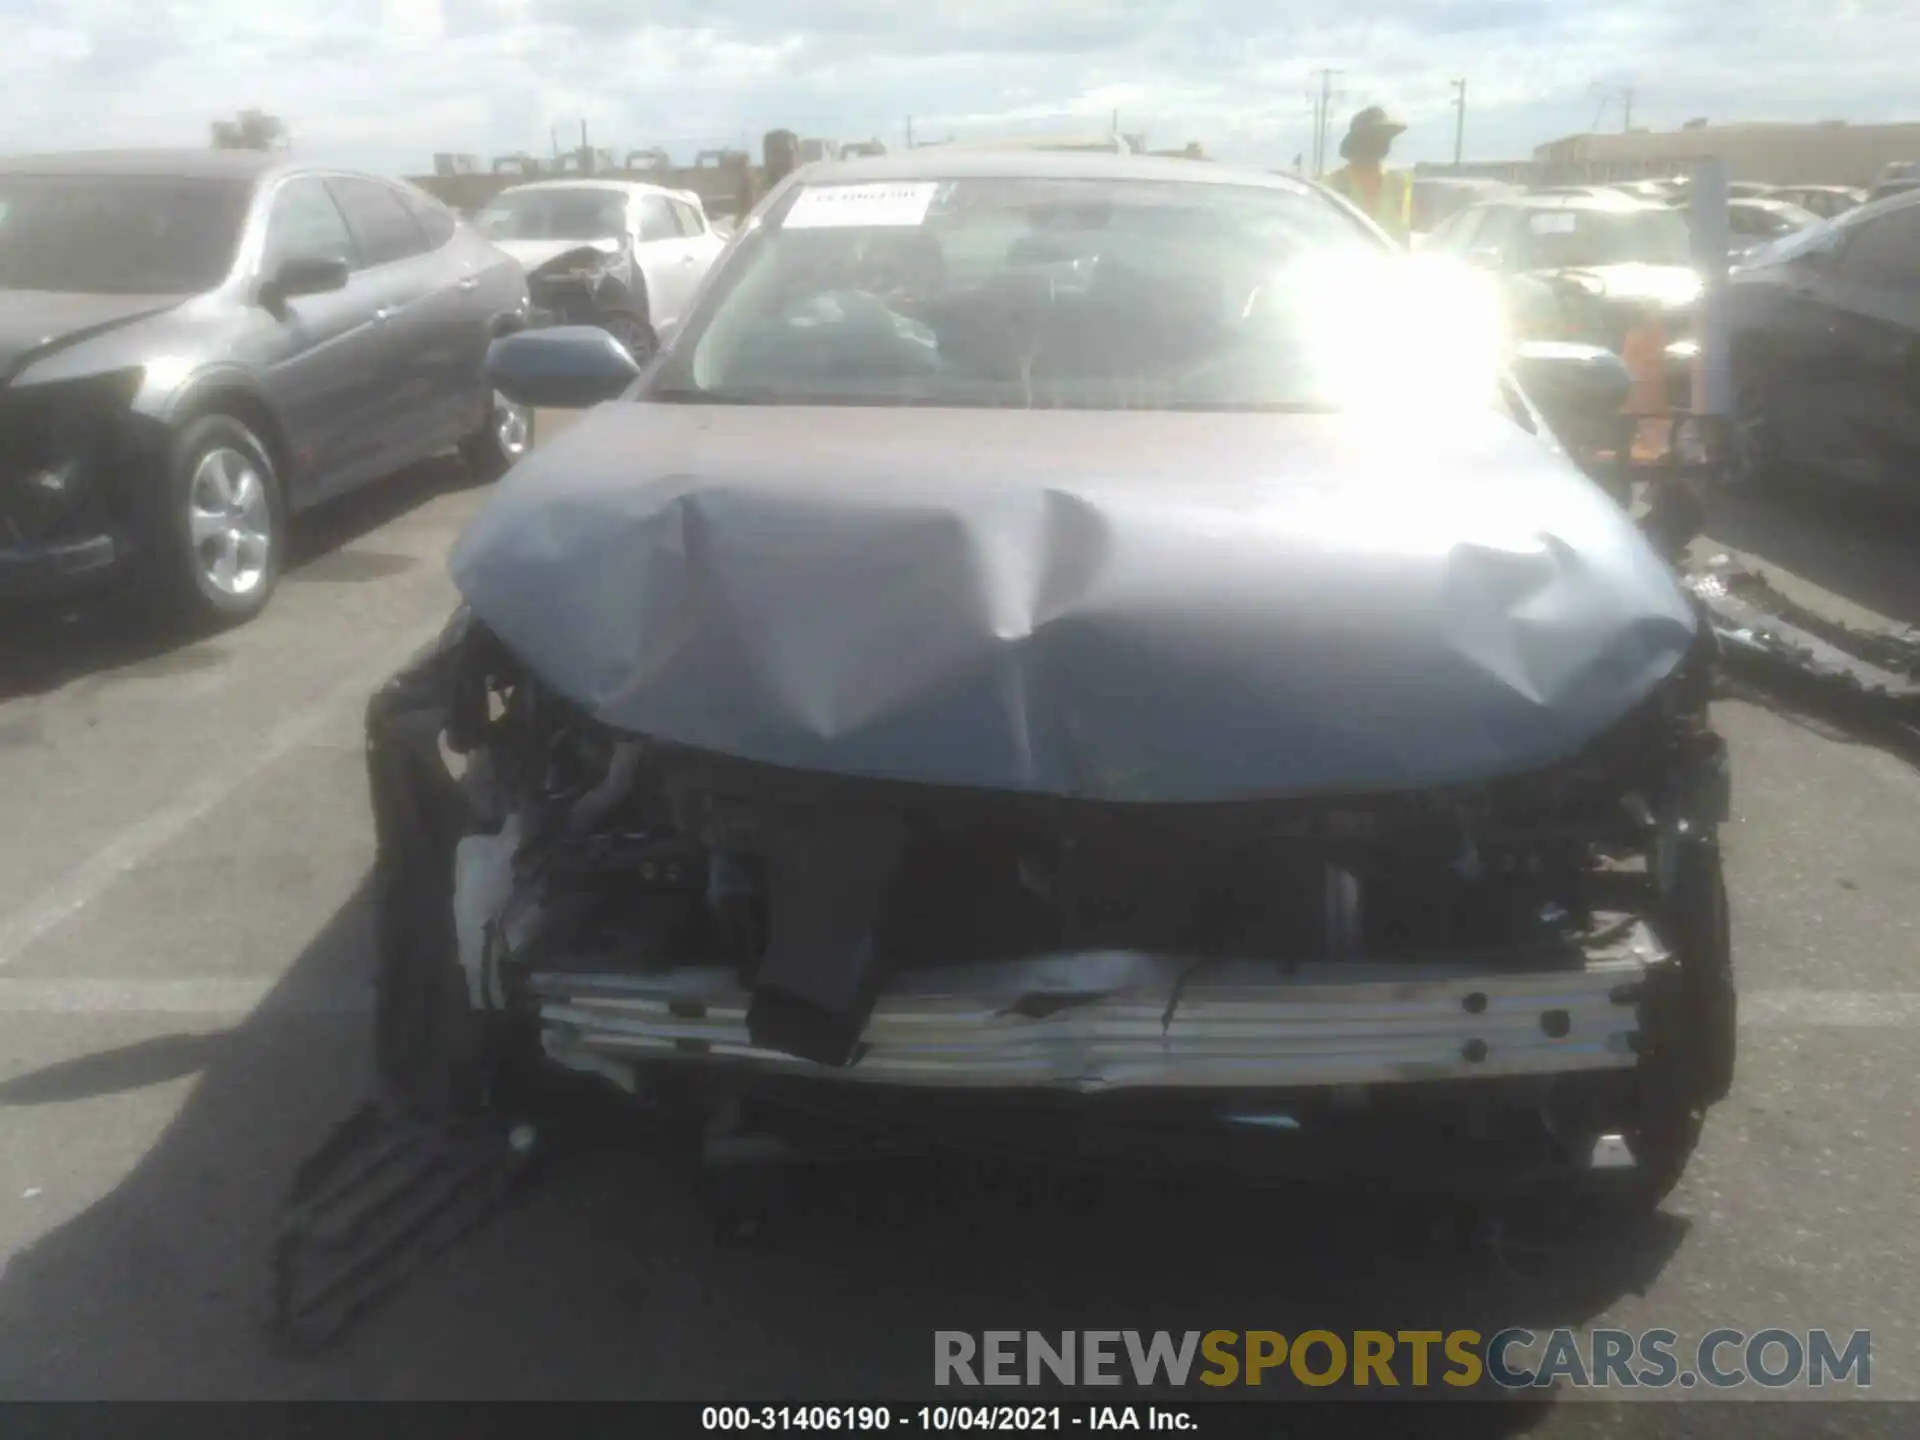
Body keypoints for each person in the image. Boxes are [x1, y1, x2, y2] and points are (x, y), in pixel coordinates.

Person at [1325, 106, 1413, 243]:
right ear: (1355, 144)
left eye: (1383, 138)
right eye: (1371, 138)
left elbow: (1403, 236)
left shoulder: (1398, 184)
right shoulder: (1332, 187)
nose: (1379, 144)